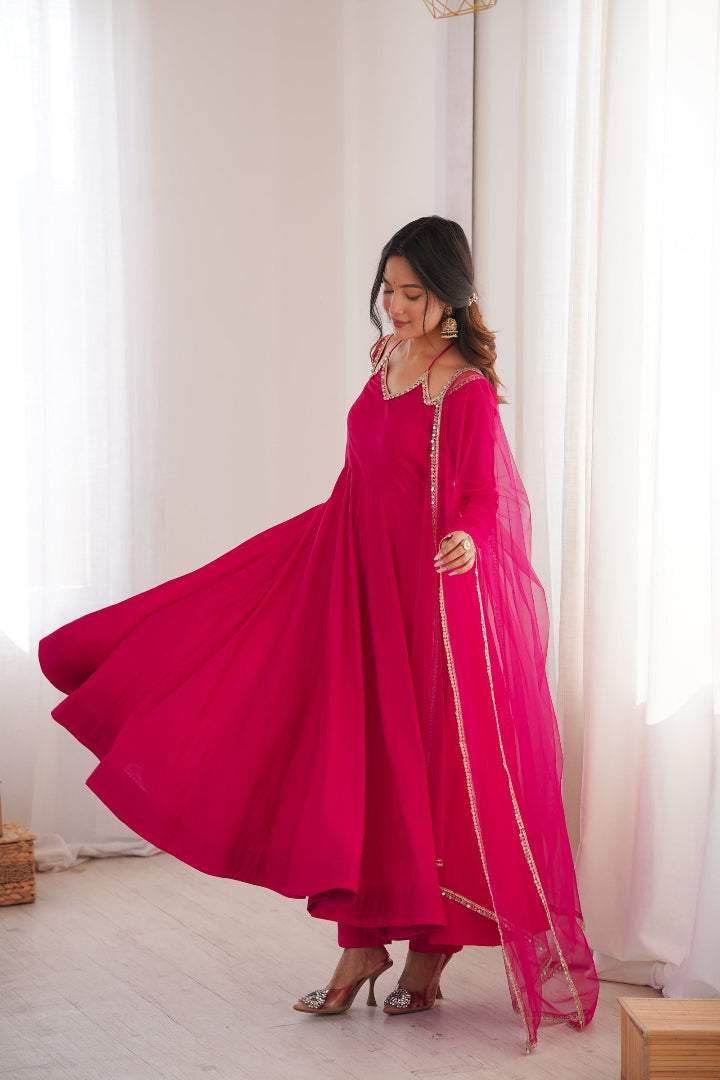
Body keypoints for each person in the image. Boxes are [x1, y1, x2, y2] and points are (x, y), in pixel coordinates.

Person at [39, 216, 599, 1052]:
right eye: (389, 289)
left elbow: (485, 495)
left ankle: (427, 953)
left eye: (414, 292)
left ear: (451, 295)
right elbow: (363, 472)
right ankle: (363, 942)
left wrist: (471, 538)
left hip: (419, 601)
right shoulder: (383, 363)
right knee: (347, 759)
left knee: (421, 771)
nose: (397, 306)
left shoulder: (464, 387)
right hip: (348, 575)